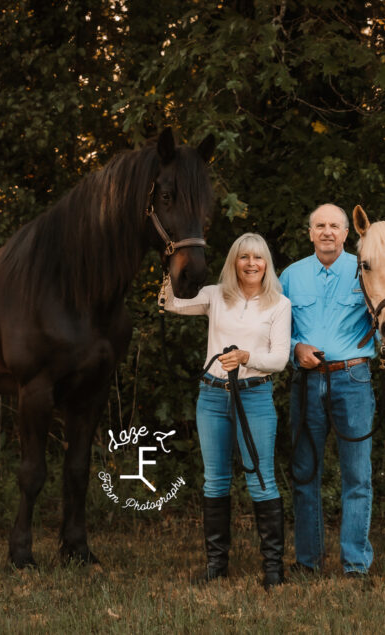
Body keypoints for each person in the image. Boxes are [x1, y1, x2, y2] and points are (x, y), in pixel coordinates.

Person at [164, 232, 292, 588]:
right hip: (212, 396)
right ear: (234, 262)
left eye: (258, 258)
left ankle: (273, 570)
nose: (251, 264)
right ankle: (216, 566)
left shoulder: (279, 304)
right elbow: (173, 303)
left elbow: (280, 358)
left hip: (254, 396)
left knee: (260, 478)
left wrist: (247, 357)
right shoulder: (216, 296)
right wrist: (169, 263)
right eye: (244, 257)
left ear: (267, 264)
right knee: (216, 479)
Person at [278, 203, 377, 578]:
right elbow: (273, 330)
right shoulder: (290, 276)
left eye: (334, 225)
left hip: (352, 380)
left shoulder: (364, 270)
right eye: (319, 225)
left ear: (346, 233)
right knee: (304, 473)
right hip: (306, 382)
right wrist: (294, 349)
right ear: (310, 232)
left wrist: (380, 344)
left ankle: (355, 565)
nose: (327, 232)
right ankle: (308, 562)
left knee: (357, 476)